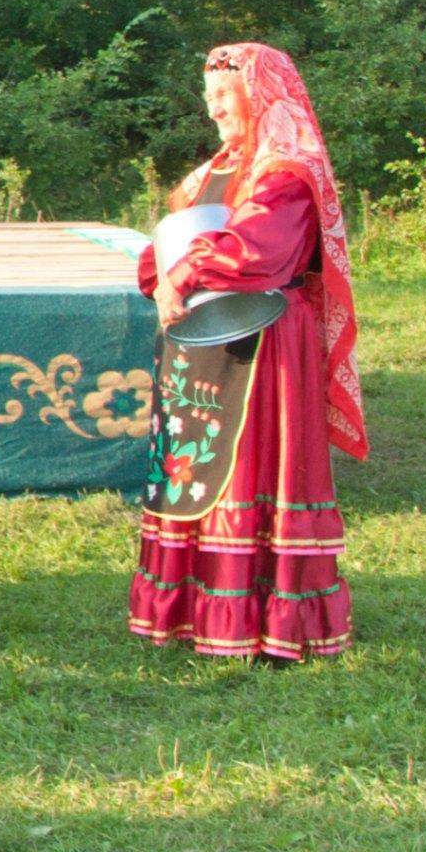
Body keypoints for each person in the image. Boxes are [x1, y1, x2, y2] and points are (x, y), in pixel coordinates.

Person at [129, 42, 364, 663]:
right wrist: (163, 280)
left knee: (250, 469)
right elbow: (164, 246)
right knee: (198, 465)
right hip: (202, 336)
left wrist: (185, 272)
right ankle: (190, 612)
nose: (214, 113)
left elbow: (258, 248)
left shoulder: (288, 170)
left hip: (266, 340)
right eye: (208, 101)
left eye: (224, 99)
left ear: (257, 98)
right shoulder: (210, 172)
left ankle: (265, 619)